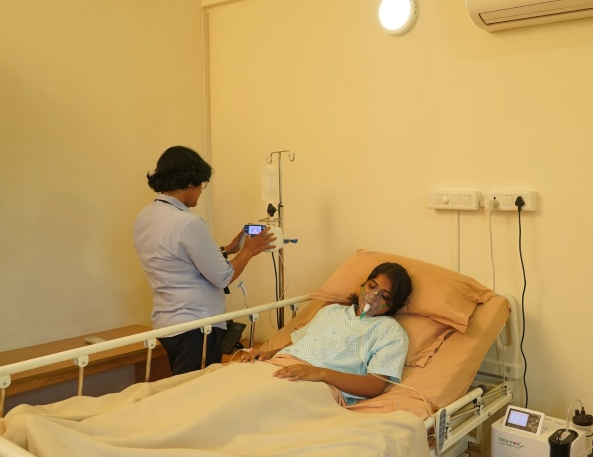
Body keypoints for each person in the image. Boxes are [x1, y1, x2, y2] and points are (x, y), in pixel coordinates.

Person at [134, 146, 275, 375]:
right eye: (201, 184)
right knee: (196, 395)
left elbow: (176, 259)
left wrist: (227, 250)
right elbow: (223, 277)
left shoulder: (145, 216)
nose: (201, 191)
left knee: (181, 388)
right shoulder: (188, 223)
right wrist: (249, 250)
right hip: (196, 327)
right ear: (190, 181)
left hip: (166, 324)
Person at [238, 262, 412, 405]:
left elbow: (375, 386)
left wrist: (320, 373)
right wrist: (267, 354)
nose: (373, 296)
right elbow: (300, 343)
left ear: (393, 305)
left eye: (384, 296)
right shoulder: (331, 311)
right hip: (279, 366)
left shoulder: (390, 331)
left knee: (250, 402)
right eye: (372, 286)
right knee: (232, 386)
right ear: (363, 285)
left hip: (316, 385)